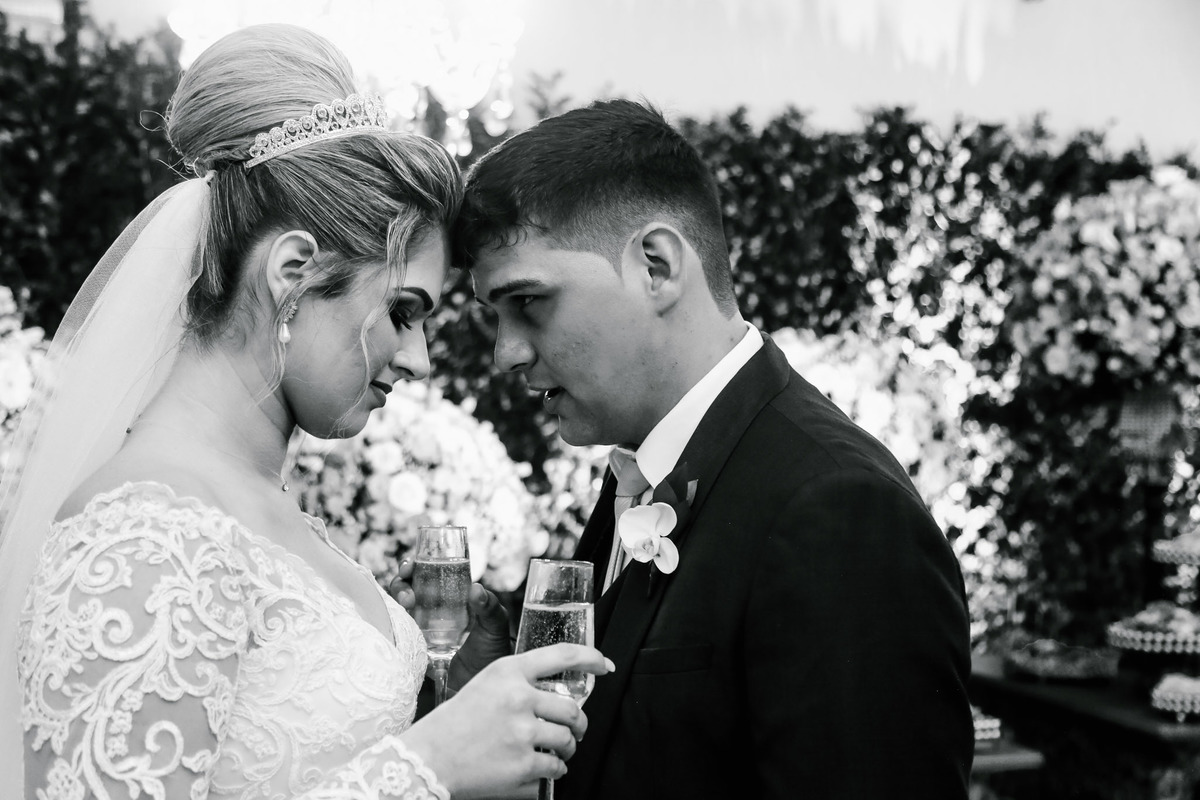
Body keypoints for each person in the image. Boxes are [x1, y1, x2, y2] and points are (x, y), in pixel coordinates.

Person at [0, 24, 613, 800]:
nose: (419, 360)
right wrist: (428, 766)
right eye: (402, 312)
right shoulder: (143, 535)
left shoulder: (261, 507)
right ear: (292, 273)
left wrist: (452, 713)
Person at [452, 99, 974, 799]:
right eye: (496, 315)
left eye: (528, 303)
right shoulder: (640, 473)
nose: (506, 354)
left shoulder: (840, 510)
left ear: (657, 266)